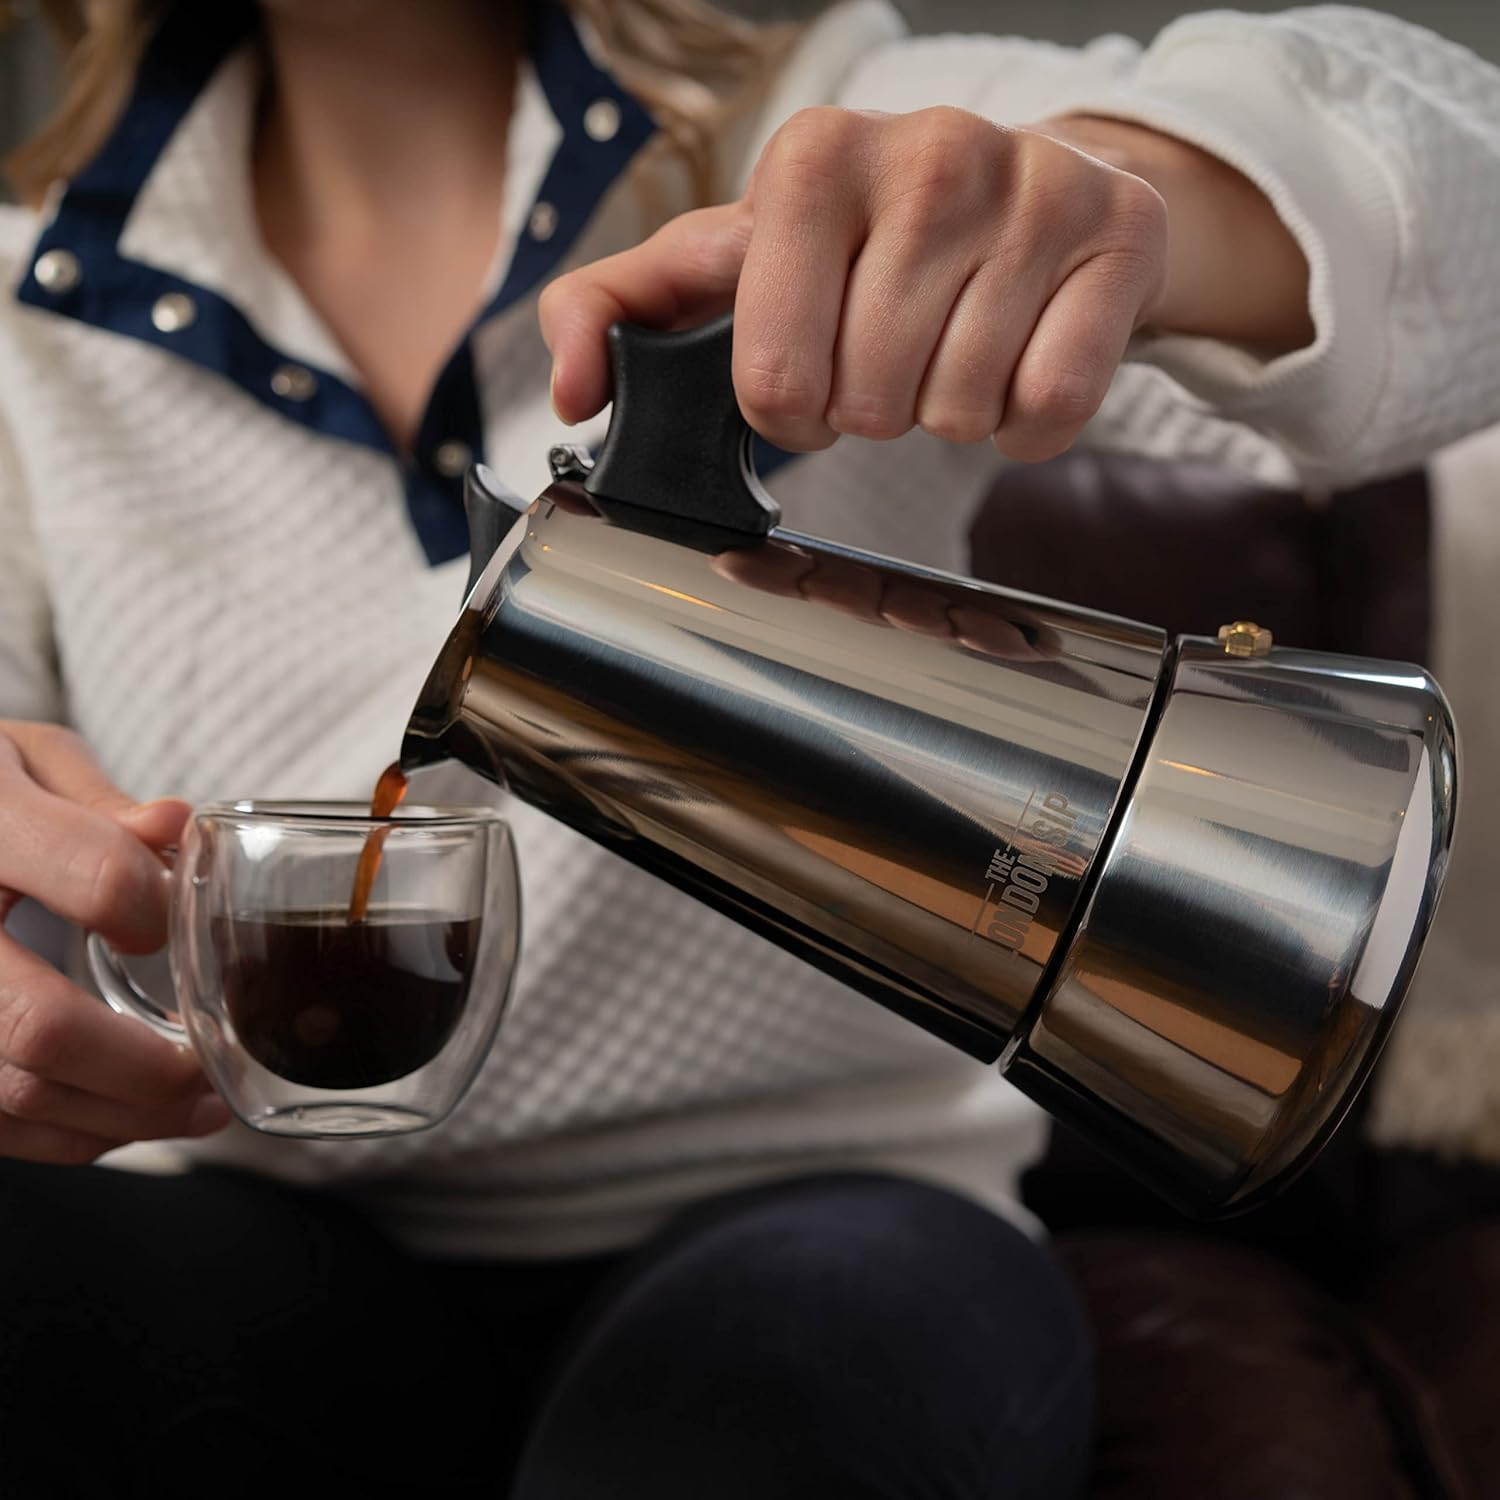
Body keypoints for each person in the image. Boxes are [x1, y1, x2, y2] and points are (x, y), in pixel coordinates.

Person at [1, 1, 1498, 1495]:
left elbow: (1459, 196)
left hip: (836, 1232)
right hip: (254, 1252)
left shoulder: (834, 137)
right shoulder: (29, 311)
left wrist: (1129, 197)